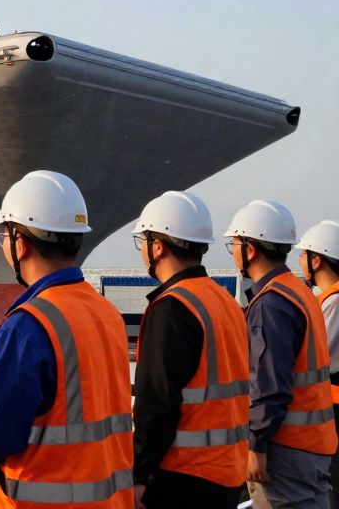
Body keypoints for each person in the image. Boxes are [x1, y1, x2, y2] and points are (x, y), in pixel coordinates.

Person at [0, 170, 132, 508]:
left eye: (4, 237)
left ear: (20, 243)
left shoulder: (27, 328)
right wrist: (10, 337)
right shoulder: (106, 313)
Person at [131, 191, 248, 508]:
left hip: (184, 478)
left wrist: (138, 476)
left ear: (158, 246)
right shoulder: (225, 301)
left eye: (143, 241)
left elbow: (156, 405)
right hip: (227, 472)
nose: (142, 250)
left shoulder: (171, 308)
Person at [230, 201, 336, 509]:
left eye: (234, 243)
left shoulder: (270, 303)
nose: (233, 251)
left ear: (250, 249)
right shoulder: (299, 292)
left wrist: (255, 445)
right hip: (314, 443)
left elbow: (269, 384)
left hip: (285, 449)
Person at [298, 221, 339, 509]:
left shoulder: (334, 301)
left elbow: (314, 353)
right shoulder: (327, 299)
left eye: (303, 254)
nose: (299, 261)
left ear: (317, 259)